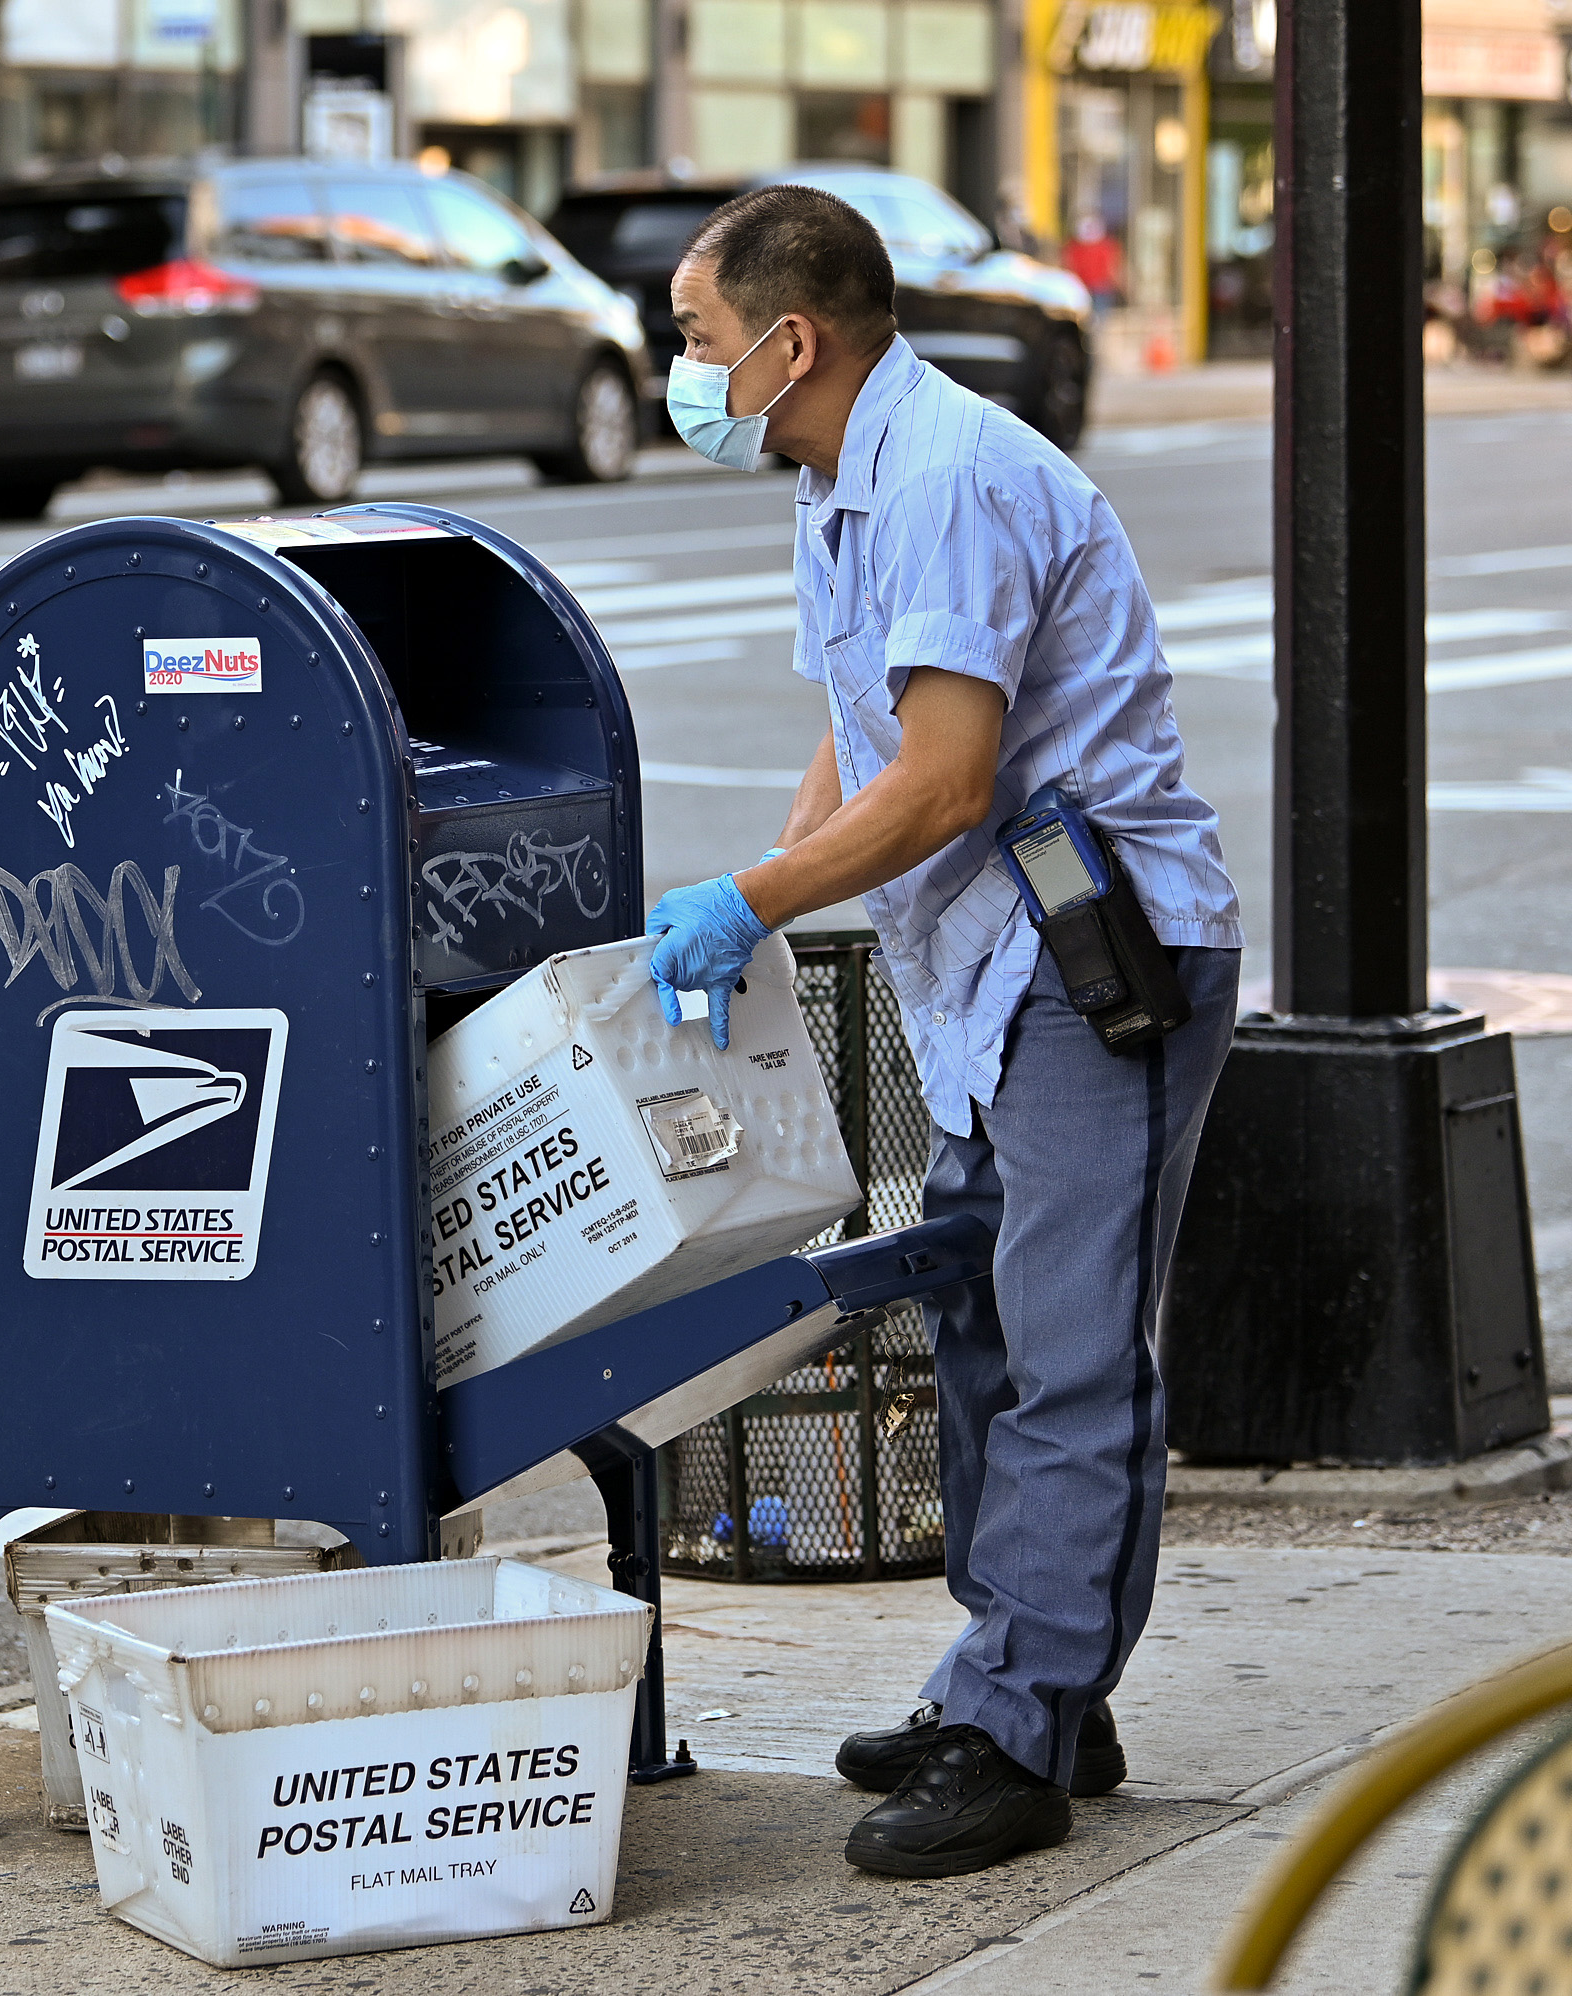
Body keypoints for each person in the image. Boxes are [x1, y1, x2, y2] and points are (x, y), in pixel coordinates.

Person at [642, 185, 1241, 1878]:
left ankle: (1020, 1730)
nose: (682, 372)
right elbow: (864, 733)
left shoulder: (952, 479)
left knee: (1066, 1348)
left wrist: (754, 900)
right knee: (974, 1322)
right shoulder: (846, 480)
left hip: (1092, 962)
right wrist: (767, 884)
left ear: (789, 343)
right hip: (988, 970)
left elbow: (948, 779)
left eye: (694, 338)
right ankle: (1029, 1672)